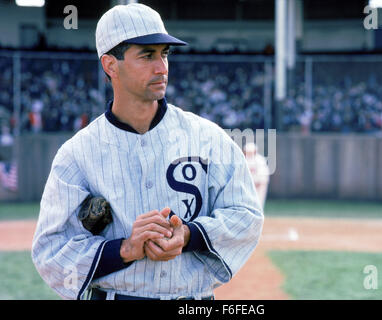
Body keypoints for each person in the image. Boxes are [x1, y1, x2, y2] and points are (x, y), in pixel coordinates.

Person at [31, 3, 263, 300]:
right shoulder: (77, 154)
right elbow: (51, 251)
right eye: (147, 55)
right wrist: (124, 249)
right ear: (110, 65)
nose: (162, 66)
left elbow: (246, 215)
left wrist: (189, 235)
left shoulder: (209, 139)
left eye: (164, 53)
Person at [243, 142, 270, 208]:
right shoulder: (243, 159)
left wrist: (259, 183)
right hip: (247, 186)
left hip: (259, 186)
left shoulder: (260, 160)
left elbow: (264, 176)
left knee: (259, 203)